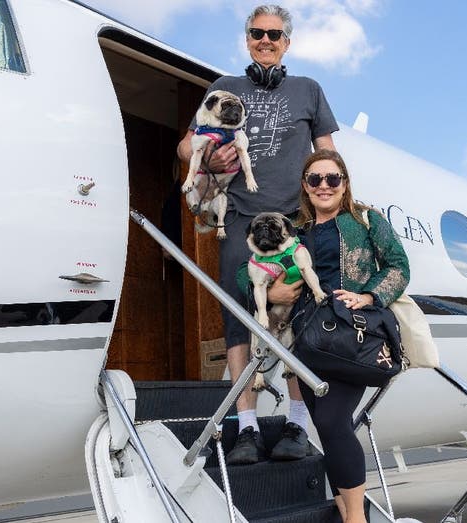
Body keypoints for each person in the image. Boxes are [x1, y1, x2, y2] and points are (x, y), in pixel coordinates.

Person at [176, 4, 339, 465]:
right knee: (238, 318)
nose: (265, 41)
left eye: (274, 34)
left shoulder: (309, 90)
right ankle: (245, 430)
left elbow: (329, 156)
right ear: (247, 39)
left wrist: (339, 211)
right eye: (256, 34)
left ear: (287, 42)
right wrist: (204, 157)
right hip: (242, 221)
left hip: (295, 221)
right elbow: (186, 145)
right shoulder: (224, 89)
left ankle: (296, 424)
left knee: (300, 319)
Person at [292, 149, 410, 523]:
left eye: (332, 178)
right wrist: (274, 292)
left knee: (331, 421)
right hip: (308, 339)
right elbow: (255, 270)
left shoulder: (367, 219)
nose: (324, 186)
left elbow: (398, 266)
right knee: (327, 428)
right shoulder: (296, 231)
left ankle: (357, 516)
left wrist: (369, 295)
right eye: (315, 180)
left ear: (344, 184)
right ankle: (345, 510)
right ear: (306, 188)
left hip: (350, 337)